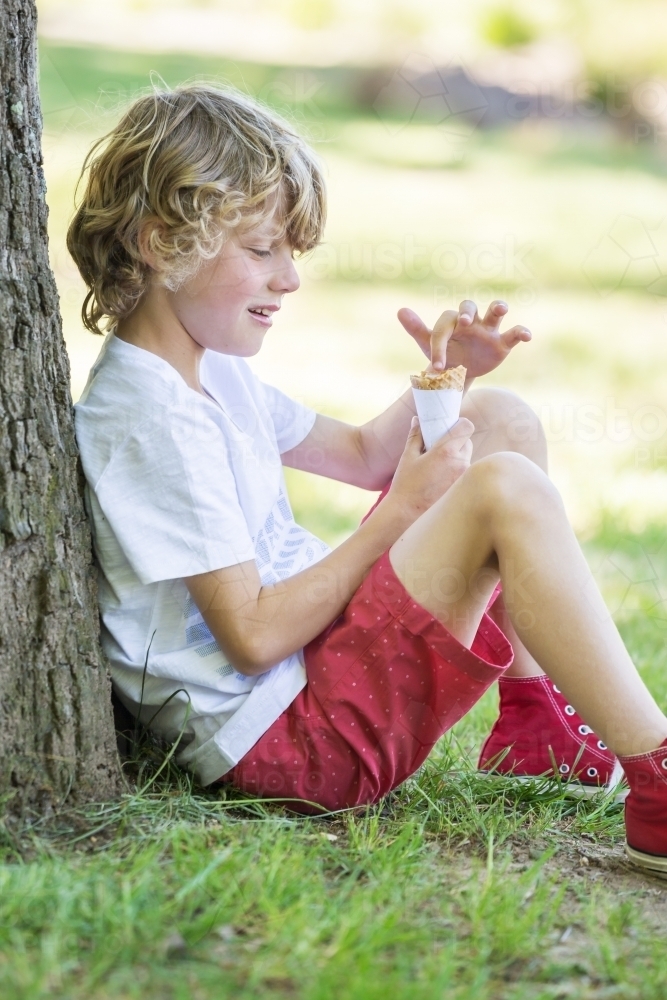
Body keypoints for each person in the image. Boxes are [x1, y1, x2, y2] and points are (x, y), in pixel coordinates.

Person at [69, 83, 667, 878]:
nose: (289, 279)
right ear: (159, 243)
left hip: (316, 672)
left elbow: (358, 454)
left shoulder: (208, 372)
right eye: (261, 251)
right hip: (293, 743)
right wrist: (399, 518)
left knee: (496, 419)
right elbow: (250, 639)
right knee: (504, 493)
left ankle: (535, 730)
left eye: (292, 252)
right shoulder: (150, 418)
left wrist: (447, 378)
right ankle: (658, 779)